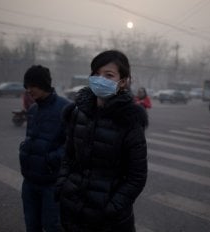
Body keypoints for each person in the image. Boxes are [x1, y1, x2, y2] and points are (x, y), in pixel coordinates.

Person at [56, 50, 148, 231]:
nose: (100, 79)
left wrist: (112, 208)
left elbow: (136, 177)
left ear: (122, 82)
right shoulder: (78, 112)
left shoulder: (129, 121)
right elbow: (68, 156)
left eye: (109, 75)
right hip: (73, 210)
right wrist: (63, 185)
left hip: (109, 221)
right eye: (96, 74)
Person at [19, 65, 70, 232]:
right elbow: (30, 138)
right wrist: (25, 151)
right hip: (29, 182)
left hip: (52, 184)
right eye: (26, 86)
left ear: (43, 84)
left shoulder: (66, 108)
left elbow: (73, 146)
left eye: (31, 85)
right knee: (32, 226)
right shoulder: (33, 109)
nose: (28, 90)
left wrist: (51, 160)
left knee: (52, 226)